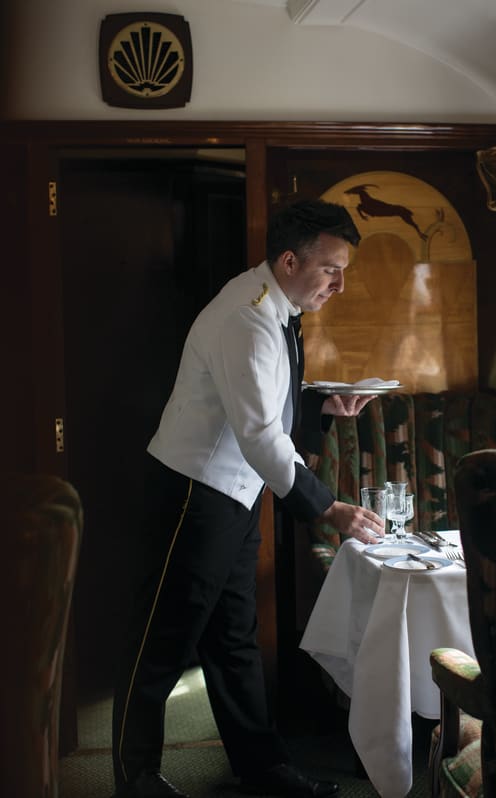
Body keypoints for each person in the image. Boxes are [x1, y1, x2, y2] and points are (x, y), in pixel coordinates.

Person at [111, 199, 387, 798]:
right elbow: (259, 431)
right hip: (194, 491)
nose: (339, 285)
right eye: (330, 270)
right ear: (290, 260)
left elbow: (268, 399)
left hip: (235, 495)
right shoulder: (248, 316)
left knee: (234, 636)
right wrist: (328, 508)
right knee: (161, 641)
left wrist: (319, 405)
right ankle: (135, 778)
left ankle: (263, 769)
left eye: (343, 271)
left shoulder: (277, 302)